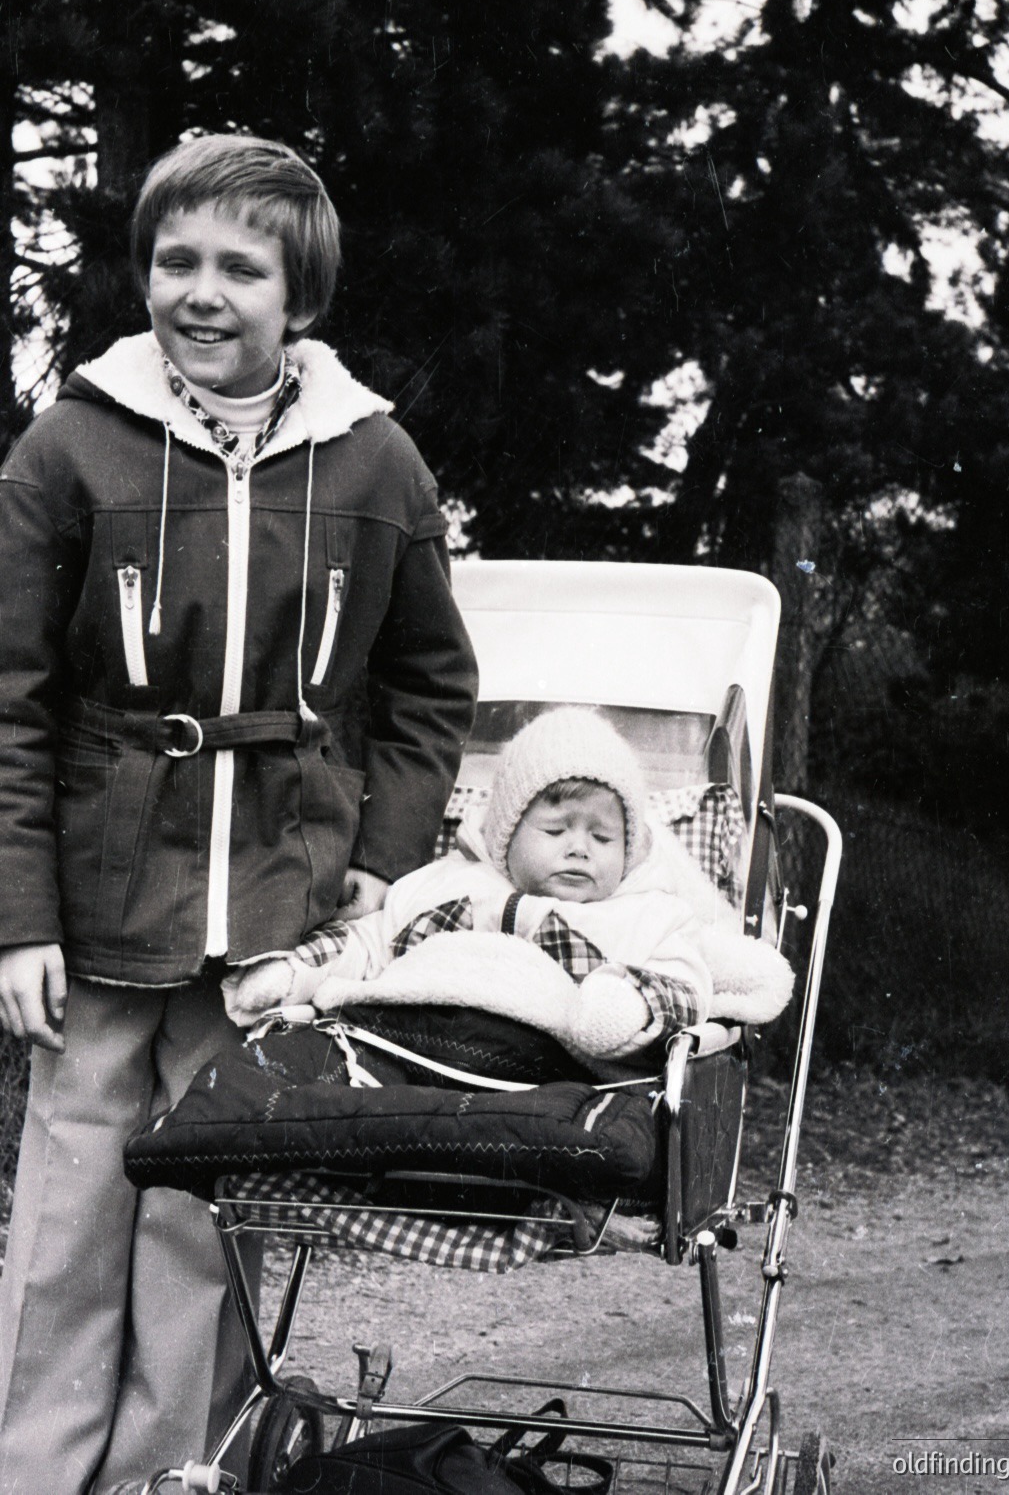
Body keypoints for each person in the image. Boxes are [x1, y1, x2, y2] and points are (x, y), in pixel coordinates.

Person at [0, 133, 478, 1493]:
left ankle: (171, 1478)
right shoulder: (69, 446)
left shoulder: (374, 462)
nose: (199, 292)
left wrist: (381, 859)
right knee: (70, 1215)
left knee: (206, 1222)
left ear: (299, 299)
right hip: (95, 905)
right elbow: (12, 694)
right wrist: (16, 917)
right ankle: (32, 1476)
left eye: (238, 267)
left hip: (277, 906)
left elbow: (430, 682)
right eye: (174, 259)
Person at [223, 708, 795, 1062]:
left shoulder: (645, 915)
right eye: (556, 829)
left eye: (603, 837)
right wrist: (295, 973)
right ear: (505, 834)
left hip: (542, 1067)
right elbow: (369, 942)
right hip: (395, 1039)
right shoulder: (444, 884)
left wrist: (628, 1002)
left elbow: (685, 979)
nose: (579, 847)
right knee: (293, 1065)